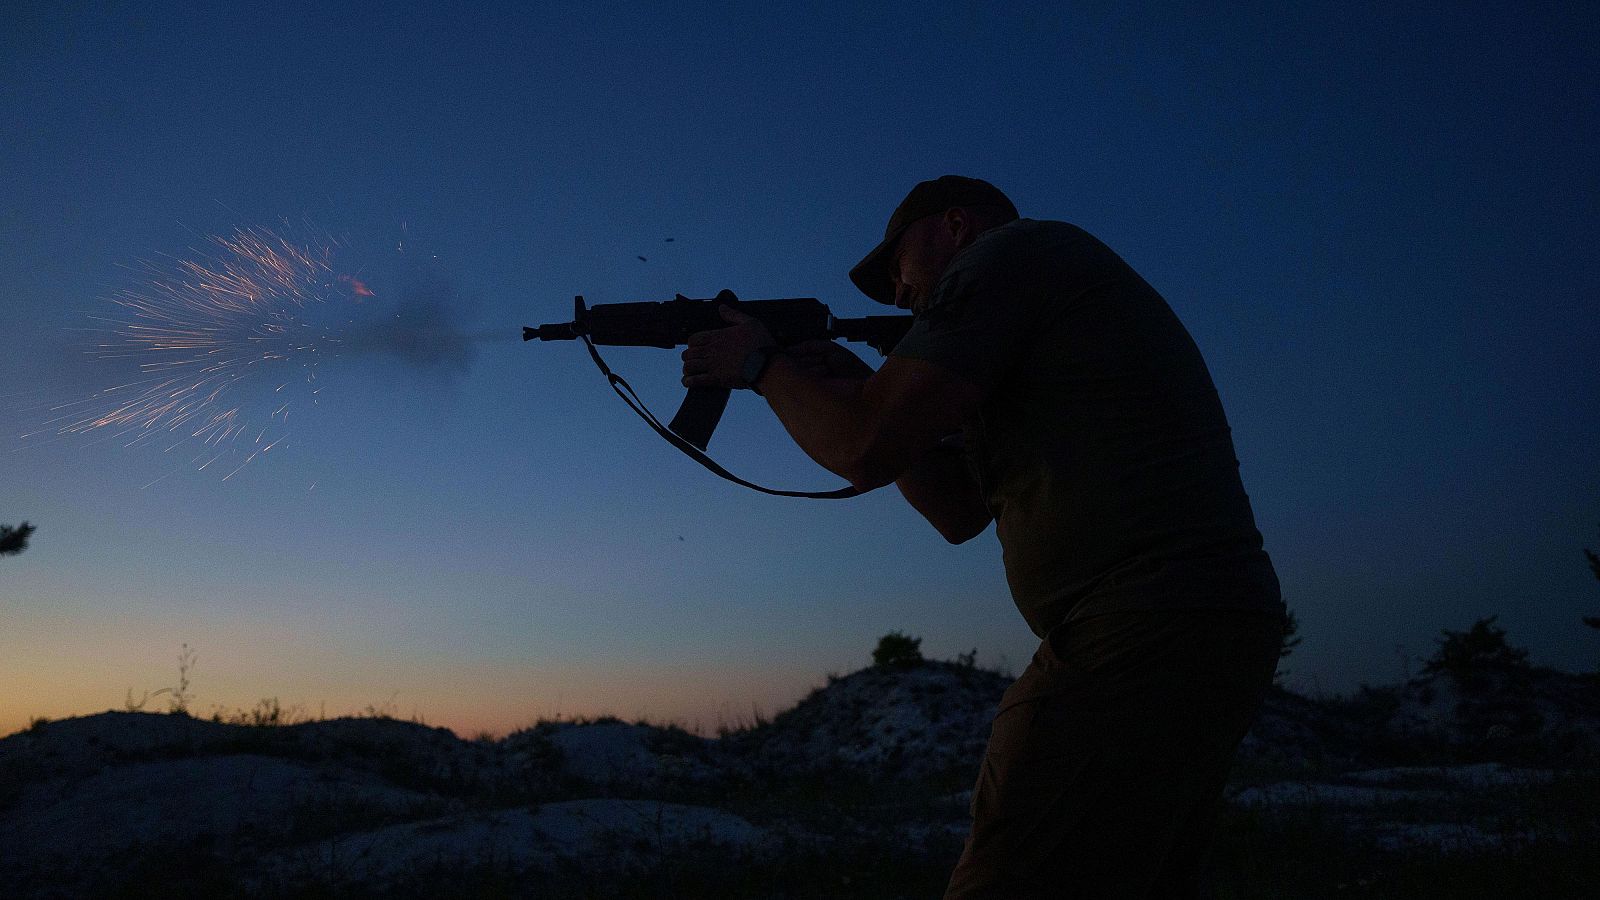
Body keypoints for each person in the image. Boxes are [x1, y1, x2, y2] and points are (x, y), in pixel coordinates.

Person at [681, 176, 1286, 898]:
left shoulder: (1010, 256)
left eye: (899, 271)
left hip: (1138, 621)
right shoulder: (1037, 307)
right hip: (1182, 619)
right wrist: (853, 387)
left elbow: (862, 449)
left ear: (956, 226)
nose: (902, 298)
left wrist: (762, 365)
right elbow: (957, 512)